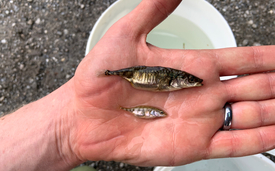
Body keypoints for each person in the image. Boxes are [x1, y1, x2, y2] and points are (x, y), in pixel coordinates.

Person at [1, 0, 275, 170]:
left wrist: (68, 127)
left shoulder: (172, 83)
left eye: (188, 81)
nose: (190, 84)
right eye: (188, 80)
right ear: (179, 81)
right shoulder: (163, 81)